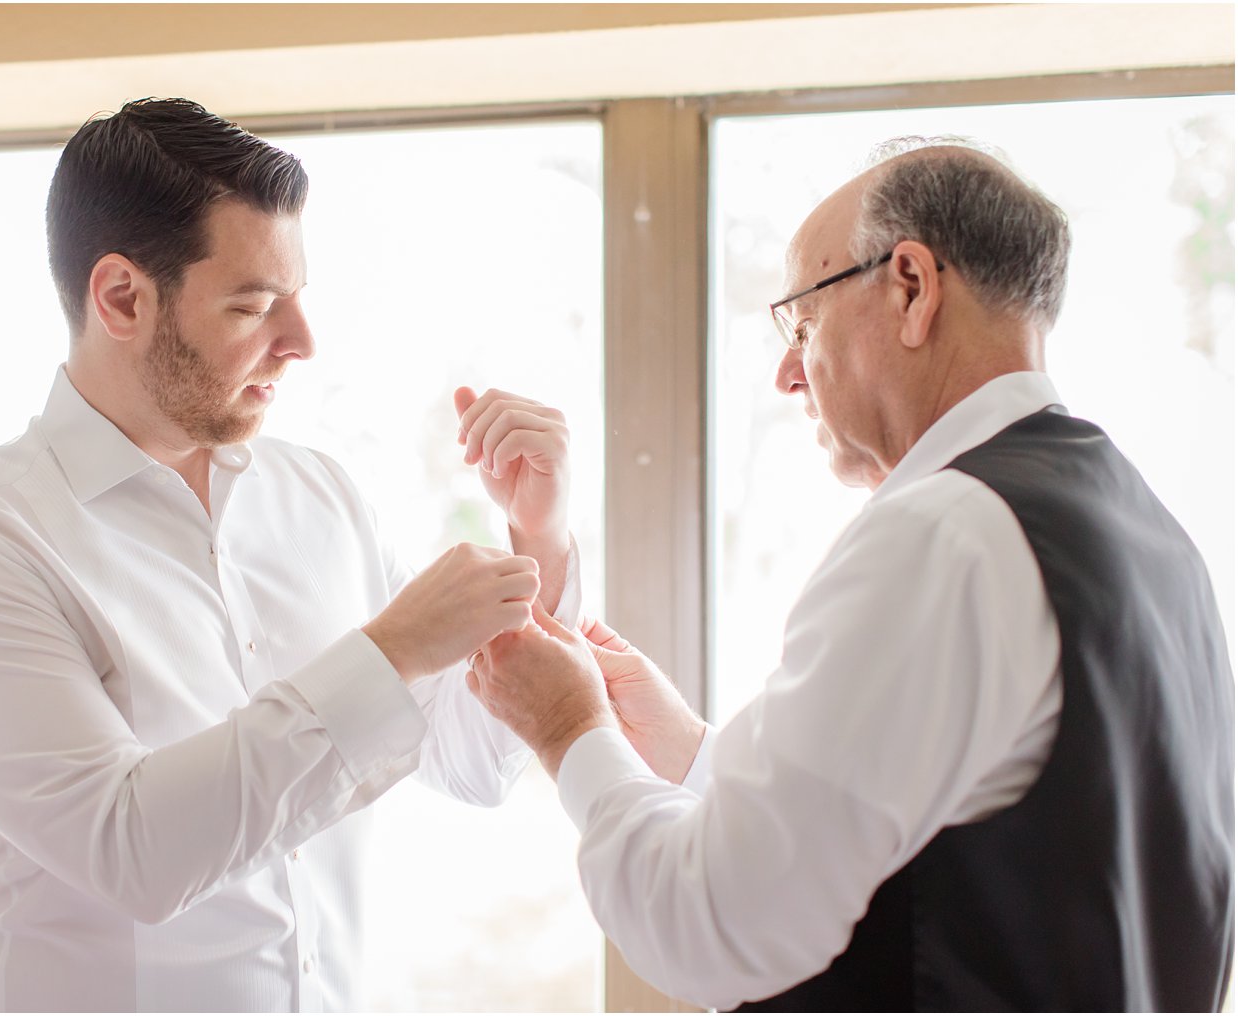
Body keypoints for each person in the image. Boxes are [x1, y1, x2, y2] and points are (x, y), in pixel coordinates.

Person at [467, 137, 1235, 1011]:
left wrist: (569, 726)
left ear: (911, 287)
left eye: (802, 321)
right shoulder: (1150, 538)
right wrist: (690, 757)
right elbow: (950, 839)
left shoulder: (943, 534)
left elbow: (711, 926)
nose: (790, 372)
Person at [0, 97, 581, 1012]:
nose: (301, 343)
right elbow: (130, 852)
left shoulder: (322, 498)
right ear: (122, 298)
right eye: (254, 305)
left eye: (295, 298)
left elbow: (471, 761)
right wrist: (391, 650)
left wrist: (543, 537)